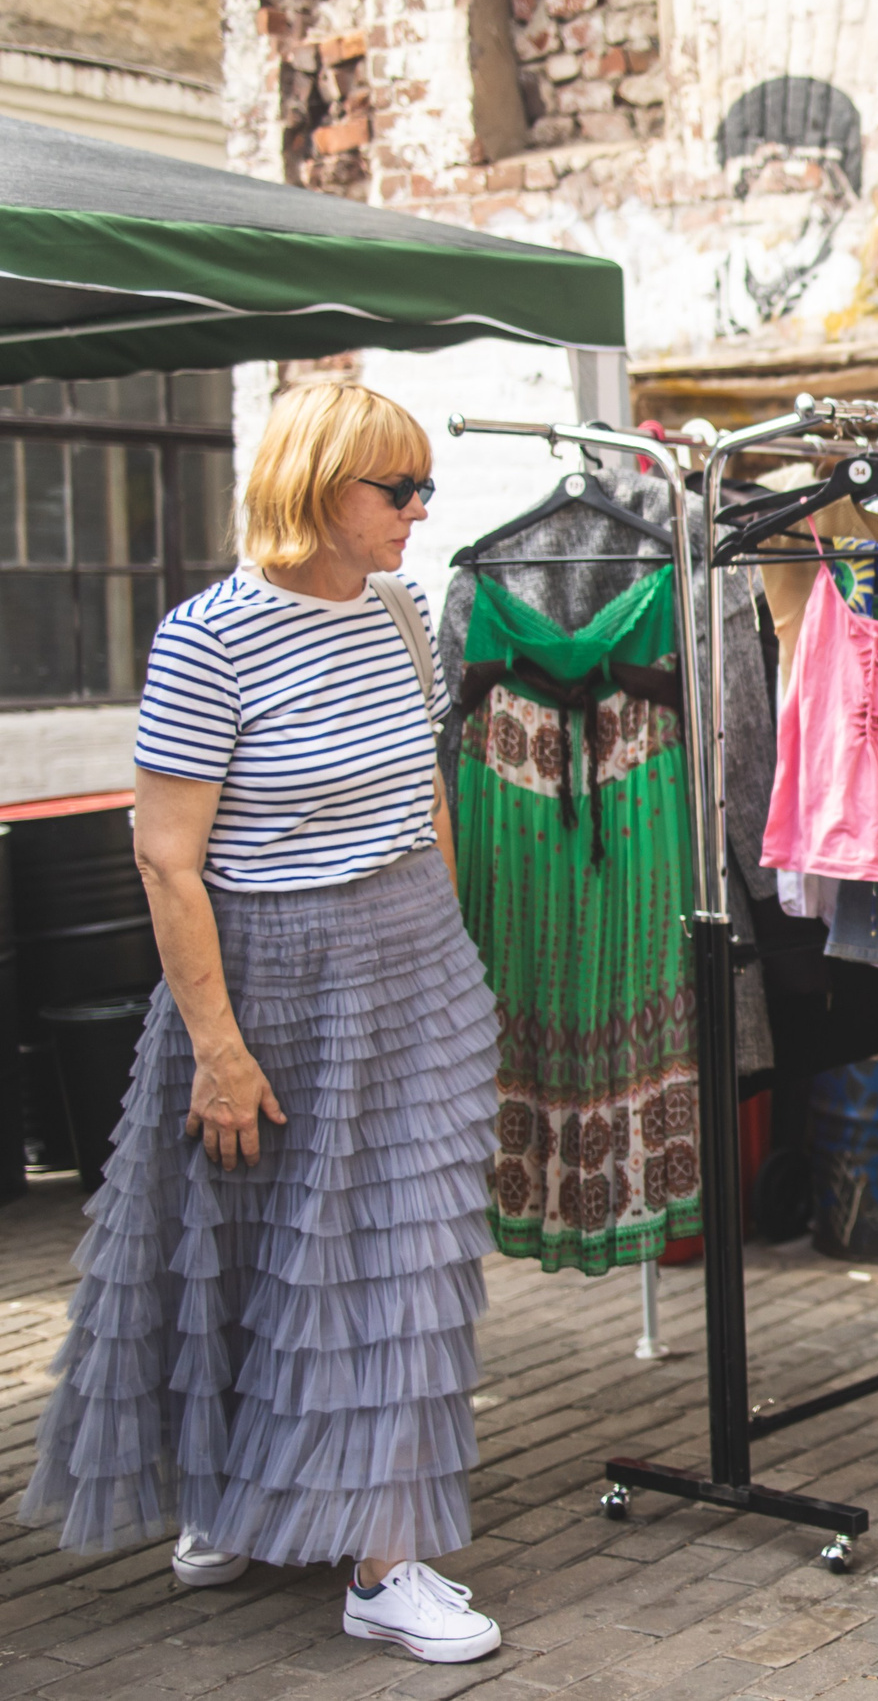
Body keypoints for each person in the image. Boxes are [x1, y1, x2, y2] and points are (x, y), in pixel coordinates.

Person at [14, 383, 506, 1664]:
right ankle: (237, 1500)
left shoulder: (402, 615)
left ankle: (384, 1565)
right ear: (316, 487)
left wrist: (446, 948)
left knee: (401, 1262)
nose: (419, 510)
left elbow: (425, 793)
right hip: (265, 976)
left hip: (410, 963)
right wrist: (219, 1050)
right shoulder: (208, 640)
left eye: (423, 487)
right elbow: (167, 860)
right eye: (396, 488)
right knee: (242, 1249)